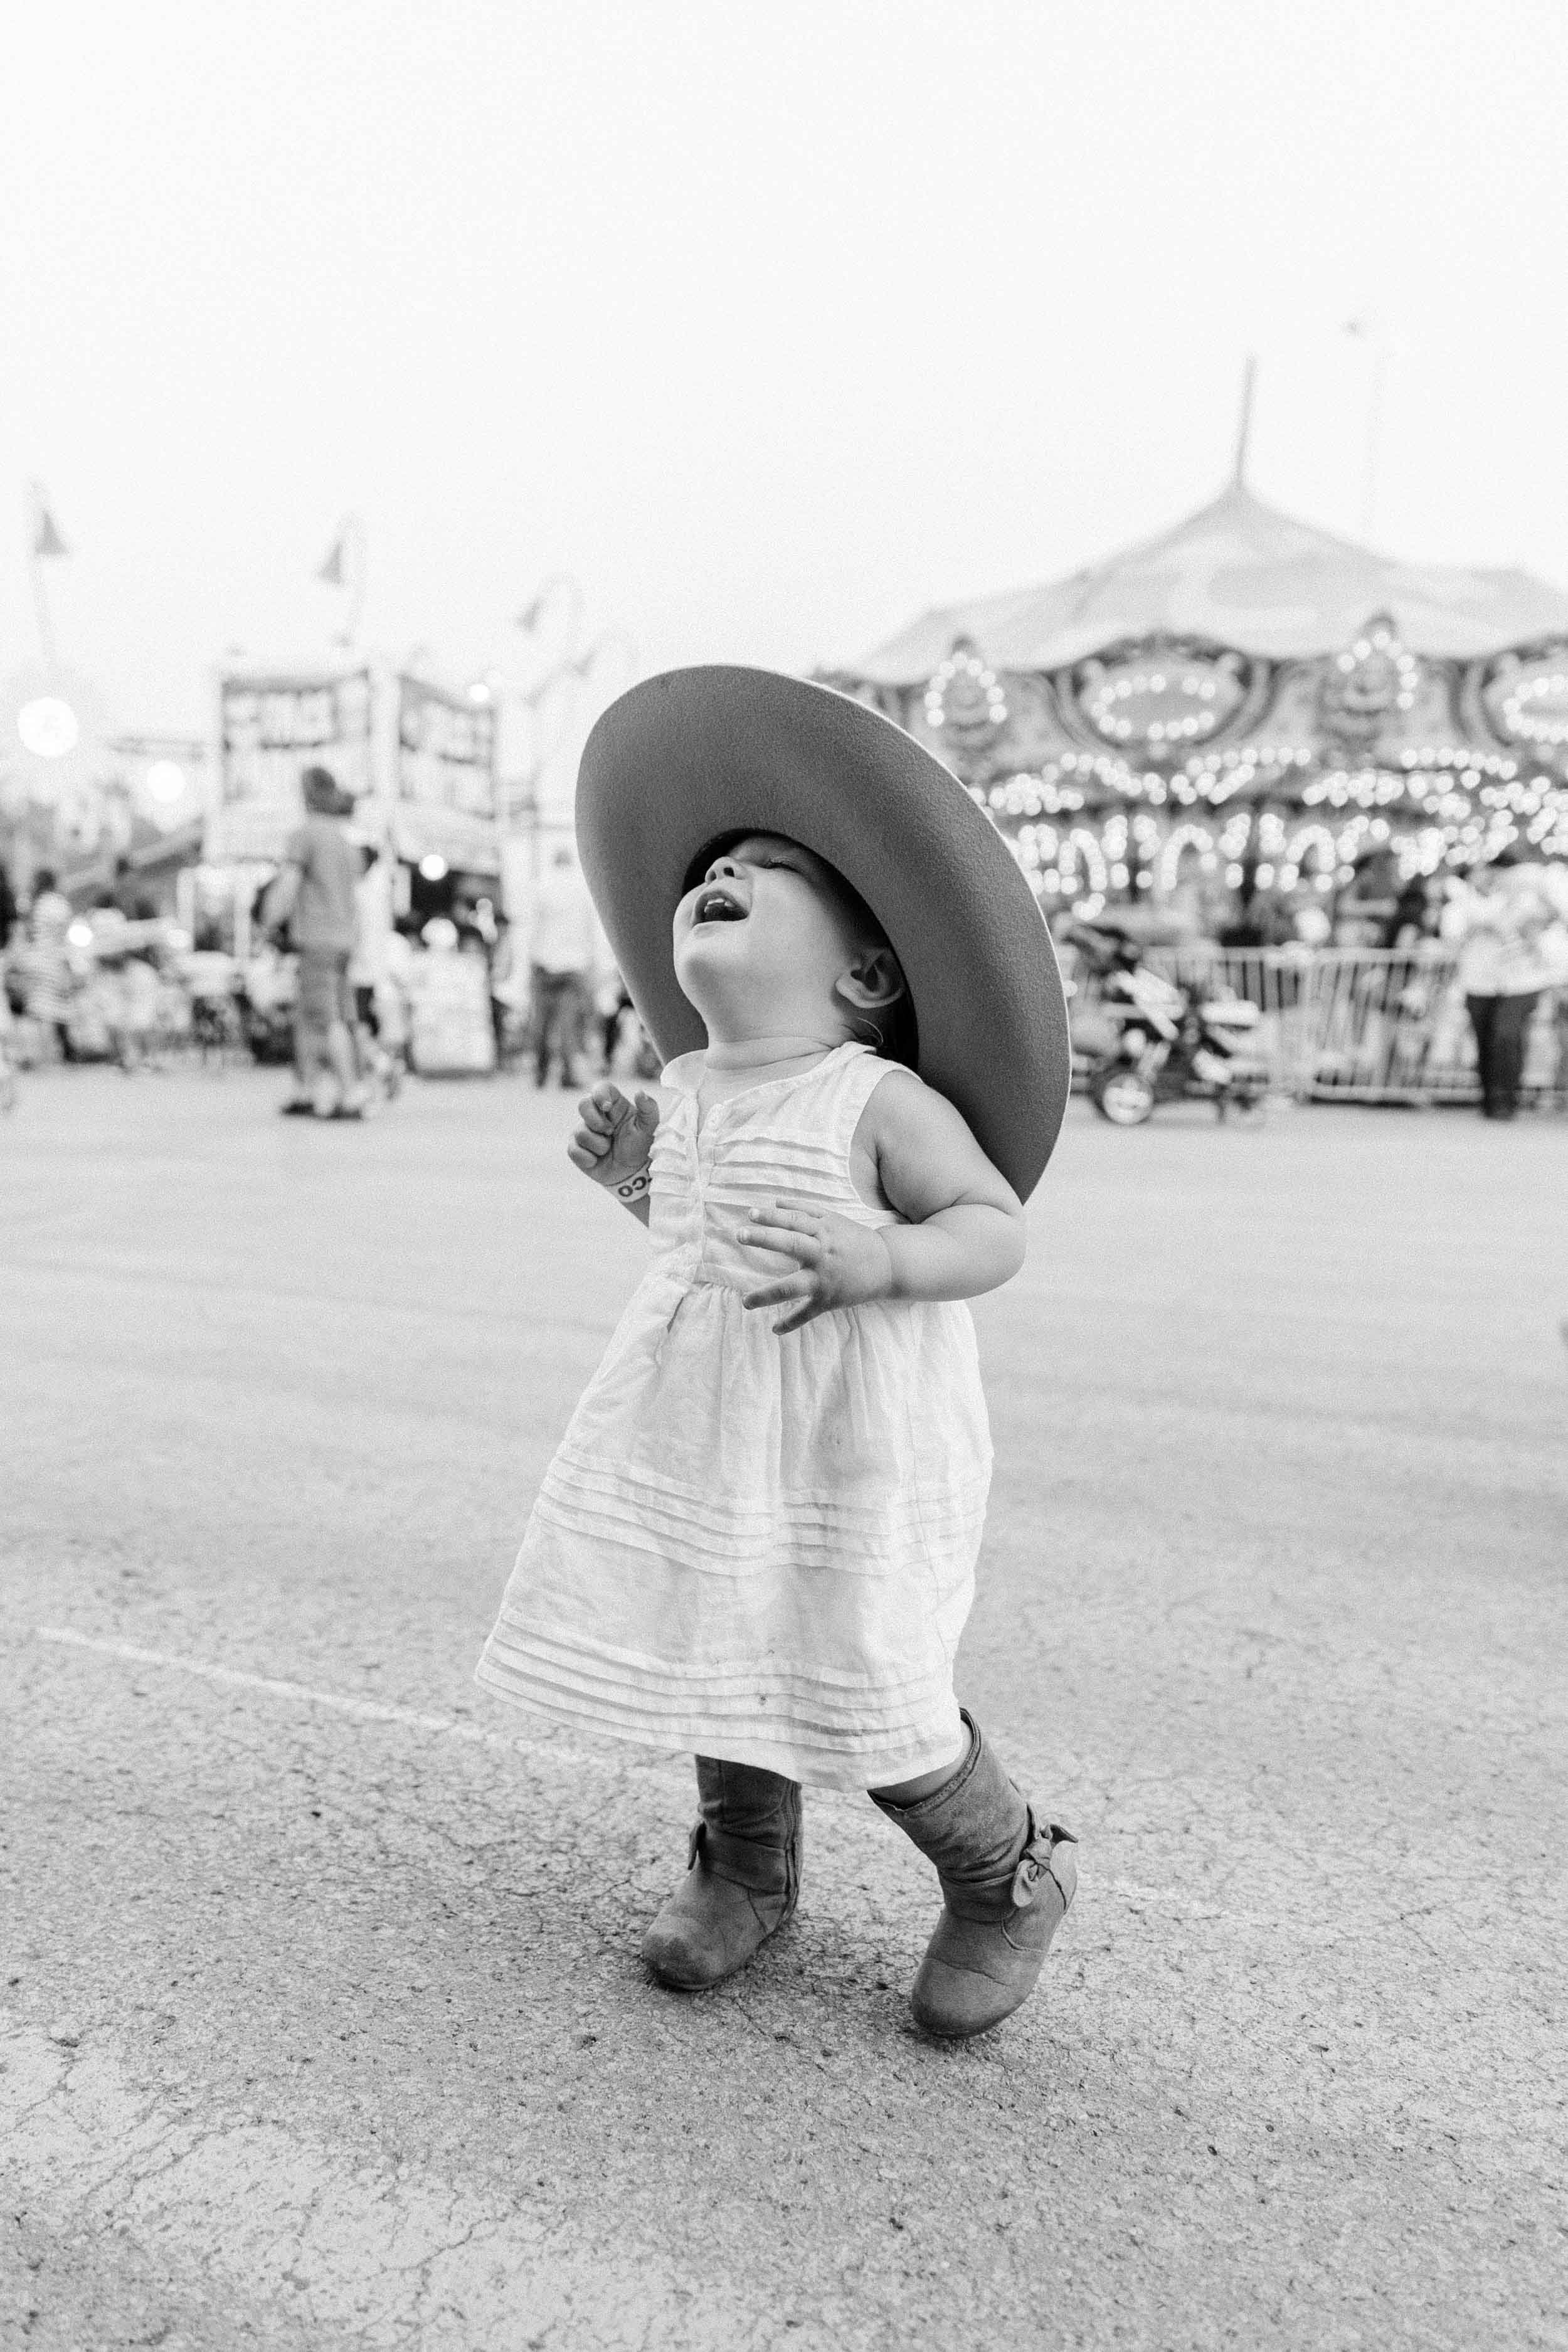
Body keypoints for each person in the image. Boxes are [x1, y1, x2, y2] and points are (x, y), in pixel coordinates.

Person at [477, 666, 1078, 2040]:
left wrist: (887, 1259)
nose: (718, 872)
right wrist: (638, 1180)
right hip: (705, 1423)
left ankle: (1001, 1878)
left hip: (848, 1443)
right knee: (715, 1632)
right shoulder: (687, 1090)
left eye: (761, 869)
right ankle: (747, 1868)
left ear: (865, 972)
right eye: (708, 870)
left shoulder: (876, 1095)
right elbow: (697, 1249)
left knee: (865, 1663)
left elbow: (993, 1227)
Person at [262, 766, 368, 1118]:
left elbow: (288, 885)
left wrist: (269, 918)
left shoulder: (307, 834)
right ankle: (305, 1089)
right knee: (312, 1017)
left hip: (317, 939)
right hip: (342, 939)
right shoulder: (342, 838)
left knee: (325, 1018)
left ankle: (352, 1093)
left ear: (307, 793)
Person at [1442, 850, 1568, 1119]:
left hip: (1521, 982)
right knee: (1485, 1038)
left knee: (1506, 1035)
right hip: (1479, 982)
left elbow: (1550, 920)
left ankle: (1505, 1100)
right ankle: (1489, 1099)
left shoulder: (1530, 901)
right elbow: (1455, 936)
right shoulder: (1465, 903)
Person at [527, 845, 596, 1088]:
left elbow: (532, 928)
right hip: (574, 967)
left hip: (544, 964)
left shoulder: (541, 885)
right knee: (569, 1024)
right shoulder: (583, 888)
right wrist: (591, 966)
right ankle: (568, 1076)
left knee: (542, 1022)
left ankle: (541, 1074)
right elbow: (591, 932)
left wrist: (530, 961)